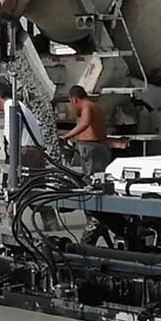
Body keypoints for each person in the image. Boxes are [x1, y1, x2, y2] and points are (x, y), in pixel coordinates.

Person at [0, 82, 57, 229]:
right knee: (37, 188)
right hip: (36, 151)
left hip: (25, 152)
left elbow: (12, 131)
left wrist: (11, 153)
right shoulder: (21, 105)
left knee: (16, 188)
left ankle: (13, 224)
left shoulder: (10, 106)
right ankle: (50, 222)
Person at [61, 85, 112, 245]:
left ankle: (95, 219)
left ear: (75, 99)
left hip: (93, 149)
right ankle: (96, 219)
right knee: (92, 181)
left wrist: (66, 136)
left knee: (92, 183)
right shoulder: (93, 106)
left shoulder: (87, 107)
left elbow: (84, 124)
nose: (72, 106)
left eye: (71, 103)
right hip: (95, 147)